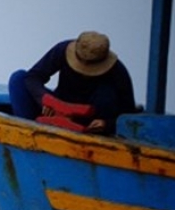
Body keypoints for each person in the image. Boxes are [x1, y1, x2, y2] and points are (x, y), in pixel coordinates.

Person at [8, 31, 137, 134]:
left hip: (87, 122)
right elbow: (33, 77)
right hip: (55, 109)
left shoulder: (117, 71)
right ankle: (27, 133)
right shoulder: (62, 50)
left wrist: (107, 124)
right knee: (18, 78)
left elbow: (128, 112)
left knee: (107, 93)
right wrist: (44, 100)